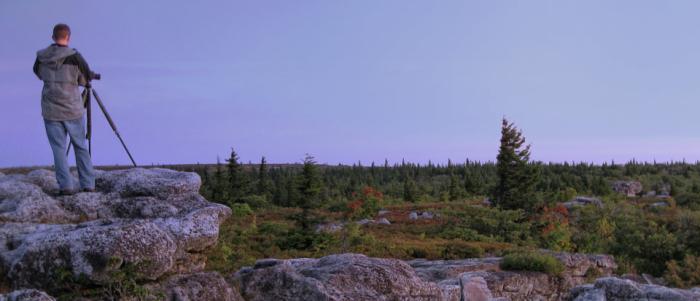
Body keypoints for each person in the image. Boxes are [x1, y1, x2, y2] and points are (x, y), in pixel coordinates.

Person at [33, 23, 96, 195]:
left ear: (53, 37)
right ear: (68, 37)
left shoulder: (41, 57)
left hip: (50, 110)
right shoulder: (75, 57)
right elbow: (85, 80)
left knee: (58, 149)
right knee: (80, 146)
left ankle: (66, 186)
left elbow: (38, 74)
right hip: (72, 109)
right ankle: (88, 184)